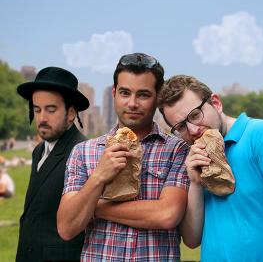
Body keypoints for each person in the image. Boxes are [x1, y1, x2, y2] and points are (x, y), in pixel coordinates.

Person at [158, 75, 263, 261]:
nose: (192, 130)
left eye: (195, 115)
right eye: (181, 126)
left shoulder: (262, 137)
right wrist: (195, 183)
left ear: (216, 103)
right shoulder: (196, 159)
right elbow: (192, 240)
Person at [57, 53, 189, 261]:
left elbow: (167, 215)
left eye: (143, 95)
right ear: (114, 93)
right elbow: (66, 227)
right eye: (125, 93)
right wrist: (99, 176)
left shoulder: (177, 150)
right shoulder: (84, 152)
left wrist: (94, 207)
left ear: (158, 97)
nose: (133, 103)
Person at [16, 67, 89, 262]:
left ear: (71, 113)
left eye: (51, 109)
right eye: (37, 109)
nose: (42, 118)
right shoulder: (38, 151)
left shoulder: (83, 151)